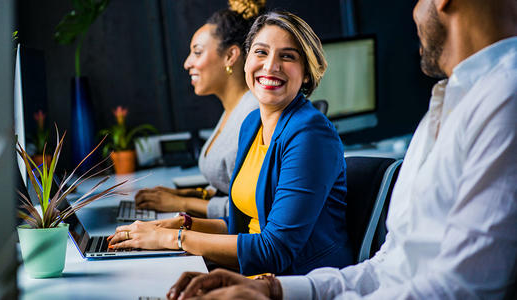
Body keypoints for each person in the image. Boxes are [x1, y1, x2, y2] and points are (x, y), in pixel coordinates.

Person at [166, 0, 517, 299]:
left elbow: (459, 288)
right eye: (260, 52)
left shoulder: (504, 98)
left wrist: (180, 238)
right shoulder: (445, 106)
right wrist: (274, 291)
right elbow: (389, 266)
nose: (413, 10)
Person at [108, 10, 353, 276]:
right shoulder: (251, 124)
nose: (270, 66)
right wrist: (176, 226)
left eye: (287, 56)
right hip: (254, 273)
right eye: (261, 52)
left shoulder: (310, 134)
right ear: (246, 61)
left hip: (299, 281)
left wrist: (173, 239)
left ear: (306, 73)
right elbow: (241, 227)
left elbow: (276, 249)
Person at [134, 0, 264, 219]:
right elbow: (229, 186)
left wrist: (183, 202)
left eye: (197, 52)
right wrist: (187, 193)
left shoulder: (252, 115)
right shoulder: (233, 109)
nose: (187, 63)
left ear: (230, 56)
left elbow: (250, 210)